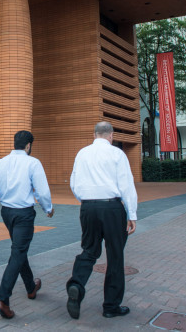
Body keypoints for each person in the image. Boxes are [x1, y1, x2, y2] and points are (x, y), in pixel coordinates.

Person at [0, 130, 54, 319]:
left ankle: (30, 287)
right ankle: (3, 299)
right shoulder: (32, 163)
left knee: (19, 250)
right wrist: (48, 208)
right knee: (18, 253)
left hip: (7, 213)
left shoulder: (0, 163)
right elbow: (42, 191)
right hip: (24, 214)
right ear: (28, 146)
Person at [66, 121, 138, 320]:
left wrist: (86, 201)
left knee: (89, 250)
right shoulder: (117, 154)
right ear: (111, 136)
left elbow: (74, 183)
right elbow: (126, 184)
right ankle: (111, 306)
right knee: (115, 255)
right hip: (112, 208)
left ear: (94, 134)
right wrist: (131, 214)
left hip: (88, 207)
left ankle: (76, 285)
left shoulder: (82, 153)